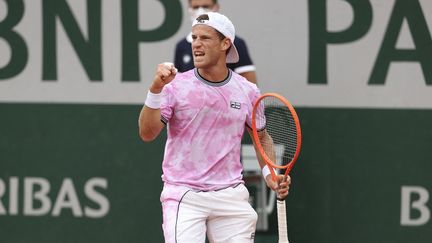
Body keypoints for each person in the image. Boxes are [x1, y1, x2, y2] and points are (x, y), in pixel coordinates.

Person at [138, 12, 290, 243]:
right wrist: (155, 90)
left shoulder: (248, 91)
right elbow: (147, 133)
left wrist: (270, 175)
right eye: (194, 37)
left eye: (205, 38)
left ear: (225, 43)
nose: (196, 44)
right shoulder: (175, 87)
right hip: (184, 194)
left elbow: (261, 137)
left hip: (231, 195)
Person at [174, 0, 258, 83]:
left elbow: (250, 86)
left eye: (205, 6)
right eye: (196, 7)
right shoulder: (181, 46)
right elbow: (178, 84)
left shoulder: (237, 43)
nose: (200, 11)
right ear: (189, 8)